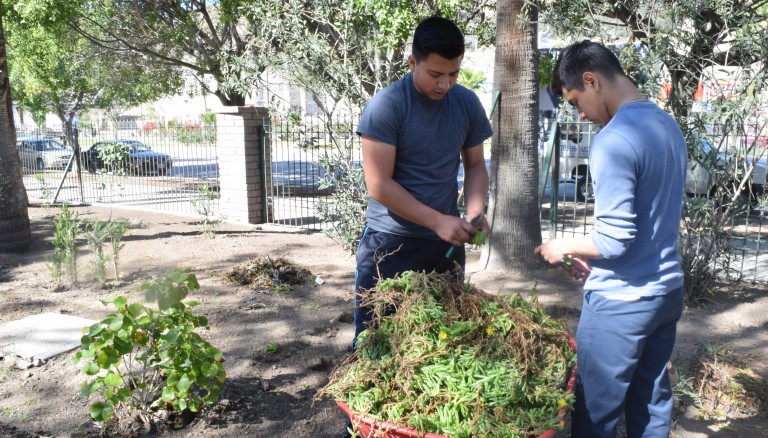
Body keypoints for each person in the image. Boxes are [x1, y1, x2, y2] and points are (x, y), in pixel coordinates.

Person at [533, 40, 687, 438]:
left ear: (591, 80)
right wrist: (596, 257)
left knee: (594, 415)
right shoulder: (665, 124)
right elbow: (651, 220)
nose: (579, 113)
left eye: (575, 100)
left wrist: (561, 244)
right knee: (651, 404)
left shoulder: (614, 139)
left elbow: (615, 238)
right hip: (665, 293)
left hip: (622, 304)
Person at [352, 16, 493, 345]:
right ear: (413, 61)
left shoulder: (466, 103)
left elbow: (475, 166)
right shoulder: (387, 106)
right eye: (435, 74)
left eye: (453, 73)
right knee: (377, 345)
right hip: (390, 245)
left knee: (442, 345)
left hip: (443, 247)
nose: (445, 84)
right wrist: (436, 220)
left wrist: (474, 213)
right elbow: (379, 184)